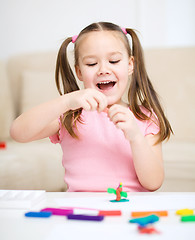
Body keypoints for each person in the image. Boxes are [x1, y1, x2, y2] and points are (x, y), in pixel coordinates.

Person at [10, 22, 173, 192]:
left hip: (129, 212)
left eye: (114, 60)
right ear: (79, 72)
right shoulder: (70, 116)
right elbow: (18, 132)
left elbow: (153, 183)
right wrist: (67, 101)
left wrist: (135, 137)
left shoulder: (144, 118)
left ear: (130, 65)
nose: (103, 69)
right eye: (91, 64)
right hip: (80, 211)